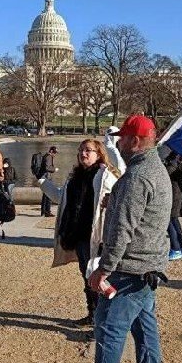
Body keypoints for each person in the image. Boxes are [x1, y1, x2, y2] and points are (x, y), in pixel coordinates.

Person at [88, 115, 171, 363]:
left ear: (135, 141)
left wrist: (104, 269)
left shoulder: (136, 177)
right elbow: (142, 214)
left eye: (122, 138)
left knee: (109, 330)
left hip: (129, 269)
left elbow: (121, 231)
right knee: (145, 330)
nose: (119, 144)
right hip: (148, 266)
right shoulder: (156, 168)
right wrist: (115, 202)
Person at [39, 139, 119, 326]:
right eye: (81, 150)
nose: (83, 153)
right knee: (87, 277)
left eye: (88, 150)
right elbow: (61, 198)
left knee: (100, 279)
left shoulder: (106, 176)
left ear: (99, 153)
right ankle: (93, 316)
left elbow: (118, 204)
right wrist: (43, 182)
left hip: (97, 237)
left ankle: (103, 322)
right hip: (79, 235)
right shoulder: (74, 176)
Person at [164, 151, 182, 260]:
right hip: (175, 192)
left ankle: (176, 248)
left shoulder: (176, 156)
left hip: (174, 193)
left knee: (169, 221)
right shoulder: (176, 154)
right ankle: (179, 247)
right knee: (174, 220)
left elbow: (168, 170)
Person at [40, 146, 58, 217]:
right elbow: (47, 167)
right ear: (51, 151)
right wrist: (54, 170)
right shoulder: (48, 157)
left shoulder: (46, 156)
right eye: (54, 152)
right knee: (48, 195)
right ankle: (47, 211)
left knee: (45, 195)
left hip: (45, 177)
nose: (55, 154)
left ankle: (44, 211)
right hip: (47, 177)